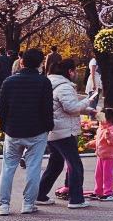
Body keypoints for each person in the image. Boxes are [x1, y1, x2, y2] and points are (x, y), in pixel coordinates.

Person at [0, 49, 54, 216]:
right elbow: (47, 109)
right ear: (41, 64)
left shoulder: (9, 81)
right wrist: (48, 127)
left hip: (13, 131)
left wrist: (4, 127)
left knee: (7, 168)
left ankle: (3, 205)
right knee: (33, 168)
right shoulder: (44, 82)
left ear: (22, 62)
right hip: (37, 131)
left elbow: (2, 108)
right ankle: (28, 204)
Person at [36, 58, 96, 209]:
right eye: (75, 70)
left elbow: (62, 106)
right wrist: (88, 101)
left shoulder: (48, 83)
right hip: (64, 132)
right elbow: (70, 108)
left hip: (53, 130)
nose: (76, 74)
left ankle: (40, 195)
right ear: (69, 71)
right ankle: (76, 199)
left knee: (55, 164)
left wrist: (87, 110)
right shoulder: (64, 87)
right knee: (75, 165)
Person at [87, 107, 113, 201]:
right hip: (100, 156)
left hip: (109, 157)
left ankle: (108, 193)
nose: (100, 122)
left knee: (107, 175)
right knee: (98, 175)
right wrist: (91, 144)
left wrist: (109, 136)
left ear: (109, 119)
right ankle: (98, 191)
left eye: (102, 119)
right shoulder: (100, 129)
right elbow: (99, 141)